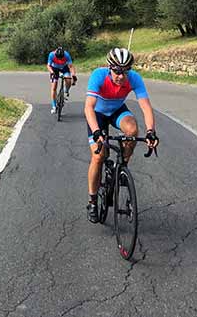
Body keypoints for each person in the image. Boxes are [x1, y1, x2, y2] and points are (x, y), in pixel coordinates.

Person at [84, 47, 159, 223]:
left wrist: (151, 132)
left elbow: (146, 106)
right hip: (98, 114)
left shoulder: (134, 79)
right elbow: (88, 107)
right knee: (98, 156)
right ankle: (93, 201)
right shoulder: (98, 75)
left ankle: (121, 168)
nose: (121, 76)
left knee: (132, 130)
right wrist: (96, 132)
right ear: (109, 67)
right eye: (117, 71)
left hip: (117, 111)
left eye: (125, 71)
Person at [46, 46, 77, 114]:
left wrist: (73, 75)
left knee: (68, 80)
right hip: (54, 69)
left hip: (64, 68)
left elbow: (71, 66)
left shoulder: (66, 55)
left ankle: (66, 91)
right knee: (54, 87)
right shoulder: (51, 55)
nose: (60, 59)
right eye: (58, 58)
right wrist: (51, 72)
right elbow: (48, 66)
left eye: (61, 58)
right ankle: (54, 106)